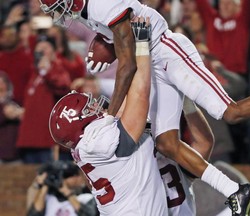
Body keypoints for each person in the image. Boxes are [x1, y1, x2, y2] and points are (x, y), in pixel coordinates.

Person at [39, 1, 250, 214]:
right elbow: (128, 62)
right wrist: (109, 44)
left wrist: (111, 111)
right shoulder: (106, 141)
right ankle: (235, 191)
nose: (95, 106)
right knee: (167, 143)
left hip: (164, 51)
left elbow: (129, 64)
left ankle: (237, 190)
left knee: (230, 112)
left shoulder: (93, 147)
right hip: (150, 57)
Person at [49, 19, 169, 215]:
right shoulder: (101, 141)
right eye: (87, 108)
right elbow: (139, 93)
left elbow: (124, 104)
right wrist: (140, 44)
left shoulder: (86, 144)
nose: (94, 105)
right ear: (80, 122)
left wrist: (121, 44)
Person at [16, 34, 71, 163]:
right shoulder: (34, 73)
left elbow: (63, 86)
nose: (41, 51)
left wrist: (48, 71)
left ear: (54, 51)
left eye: (45, 48)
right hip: (28, 138)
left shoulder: (58, 69)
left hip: (46, 139)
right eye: (38, 48)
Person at [26, 160, 98, 216]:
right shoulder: (48, 197)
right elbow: (34, 214)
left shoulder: (86, 198)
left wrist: (66, 192)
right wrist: (45, 184)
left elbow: (90, 214)